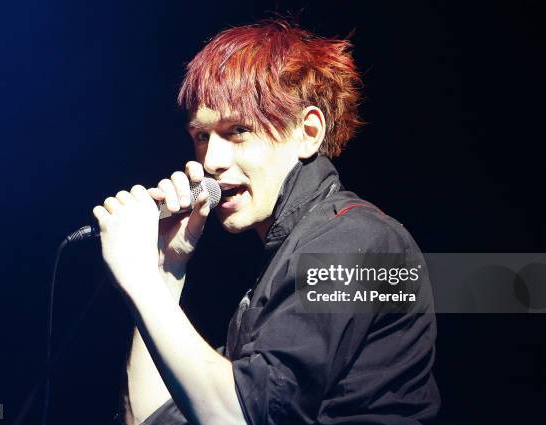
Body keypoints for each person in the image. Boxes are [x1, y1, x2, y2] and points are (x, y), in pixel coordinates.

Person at [93, 20, 440, 425]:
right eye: (202, 136)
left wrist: (140, 281)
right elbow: (150, 419)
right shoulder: (282, 268)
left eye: (237, 131)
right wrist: (166, 273)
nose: (210, 162)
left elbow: (239, 417)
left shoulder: (355, 240)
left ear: (308, 132)